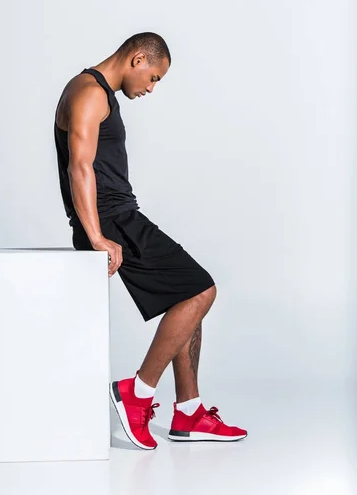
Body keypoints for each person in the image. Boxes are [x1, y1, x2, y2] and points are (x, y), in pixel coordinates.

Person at [54, 32, 247, 450]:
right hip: (112, 220)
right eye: (154, 77)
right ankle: (137, 394)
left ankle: (189, 411)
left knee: (186, 293)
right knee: (201, 292)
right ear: (138, 58)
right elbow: (80, 168)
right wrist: (96, 236)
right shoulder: (89, 92)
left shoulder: (99, 93)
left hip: (117, 216)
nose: (151, 88)